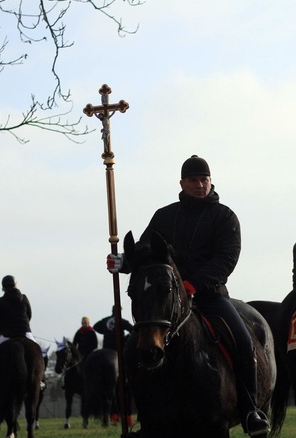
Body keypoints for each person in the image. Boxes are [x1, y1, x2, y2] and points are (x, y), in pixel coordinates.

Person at [107, 155, 270, 437]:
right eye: (193, 180)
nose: (199, 185)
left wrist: (193, 284)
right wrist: (123, 262)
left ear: (211, 182)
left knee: (244, 343)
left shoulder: (225, 217)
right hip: (167, 302)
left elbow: (226, 260)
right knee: (134, 349)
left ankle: (249, 409)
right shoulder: (165, 216)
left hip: (210, 297)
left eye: (203, 179)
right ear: (182, 183)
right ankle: (145, 416)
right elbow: (146, 253)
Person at [0, 275, 39, 389]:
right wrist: (24, 327)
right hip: (25, 333)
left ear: (3, 287)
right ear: (15, 284)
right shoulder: (24, 298)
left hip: (8, 335)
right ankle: (40, 379)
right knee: (39, 353)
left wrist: (1, 332)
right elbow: (29, 315)